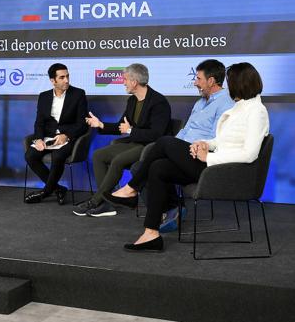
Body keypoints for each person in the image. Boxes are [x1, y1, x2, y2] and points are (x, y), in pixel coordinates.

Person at [111, 62, 269, 252]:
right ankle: (151, 233)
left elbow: (250, 154)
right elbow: (221, 139)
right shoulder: (239, 108)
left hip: (223, 171)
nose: (228, 85)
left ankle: (131, 188)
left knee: (164, 143)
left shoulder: (257, 112)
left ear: (242, 83)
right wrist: (205, 144)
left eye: (230, 81)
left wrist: (207, 157)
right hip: (211, 163)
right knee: (158, 167)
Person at [73, 63, 171, 217]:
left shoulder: (159, 102)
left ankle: (96, 201)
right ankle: (106, 203)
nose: (123, 82)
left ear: (134, 81)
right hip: (134, 143)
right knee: (99, 155)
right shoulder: (132, 101)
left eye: (125, 79)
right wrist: (101, 124)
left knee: (118, 160)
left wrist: (131, 130)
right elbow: (121, 126)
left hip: (150, 147)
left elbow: (157, 135)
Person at [155, 59, 234, 232]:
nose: (194, 82)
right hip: (183, 154)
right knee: (152, 165)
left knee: (164, 142)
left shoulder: (226, 104)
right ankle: (171, 210)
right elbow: (184, 132)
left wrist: (173, 147)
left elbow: (216, 139)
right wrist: (173, 149)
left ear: (211, 81)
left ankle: (132, 190)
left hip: (201, 159)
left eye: (198, 78)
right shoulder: (199, 103)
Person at [24, 63, 88, 205]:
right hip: (48, 137)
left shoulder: (78, 94)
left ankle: (45, 192)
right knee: (30, 155)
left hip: (69, 138)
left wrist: (67, 135)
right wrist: (39, 139)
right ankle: (58, 189)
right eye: (62, 77)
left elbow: (82, 124)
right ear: (53, 81)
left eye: (67, 76)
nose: (66, 80)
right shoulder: (44, 96)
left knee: (58, 156)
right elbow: (39, 122)